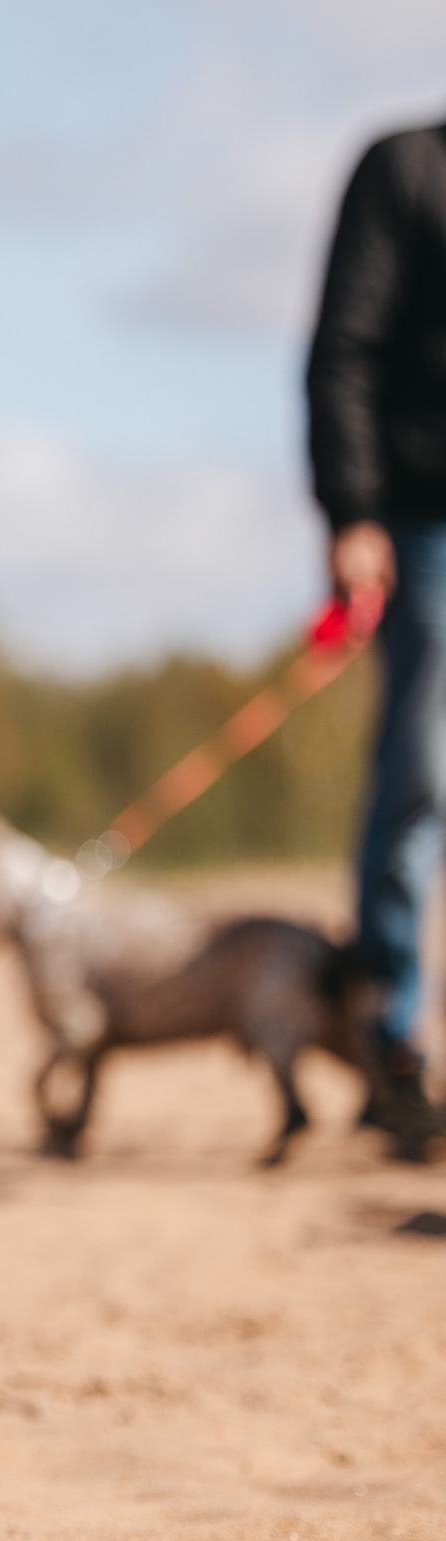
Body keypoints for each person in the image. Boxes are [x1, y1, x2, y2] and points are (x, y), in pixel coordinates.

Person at [308, 115, 446, 1166]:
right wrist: (353, 508)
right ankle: (389, 1043)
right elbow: (343, 346)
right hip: (419, 520)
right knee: (421, 776)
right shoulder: (404, 169)